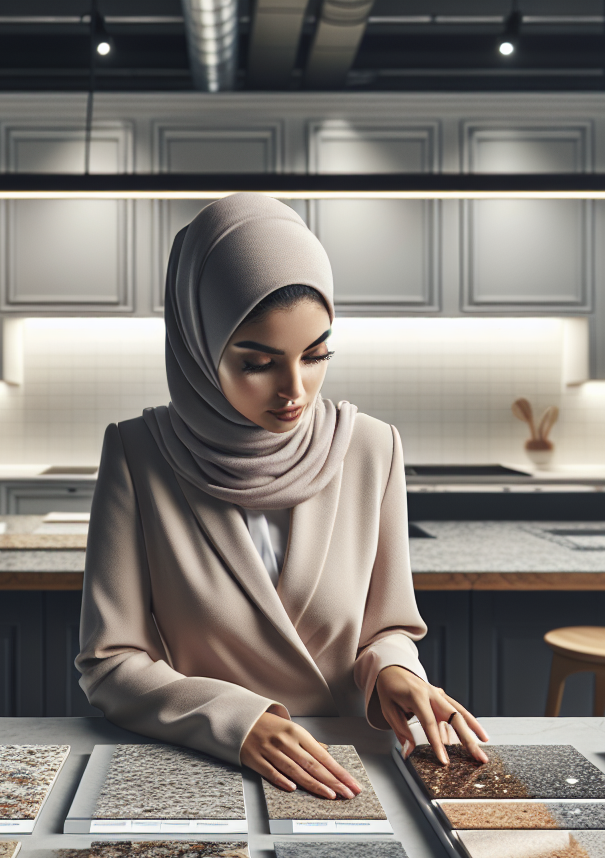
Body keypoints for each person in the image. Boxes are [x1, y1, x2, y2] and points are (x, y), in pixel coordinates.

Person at [77, 193, 488, 800]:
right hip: (201, 765)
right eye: (258, 362)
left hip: (348, 768)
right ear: (198, 344)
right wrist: (234, 723)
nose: (294, 390)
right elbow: (111, 664)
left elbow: (387, 628)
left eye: (317, 355)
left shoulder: (372, 447)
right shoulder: (139, 454)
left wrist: (397, 670)